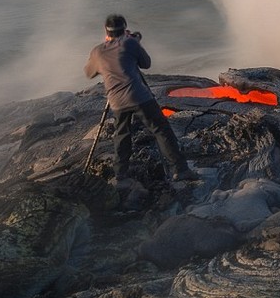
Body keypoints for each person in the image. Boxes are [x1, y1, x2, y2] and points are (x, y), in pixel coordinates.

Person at [84, 14, 198, 182]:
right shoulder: (129, 43)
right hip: (139, 96)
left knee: (121, 135)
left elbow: (89, 73)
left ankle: (121, 175)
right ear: (124, 29)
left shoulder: (98, 51)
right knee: (161, 130)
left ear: (106, 31)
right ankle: (180, 170)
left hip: (117, 102)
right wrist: (135, 42)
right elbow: (146, 63)